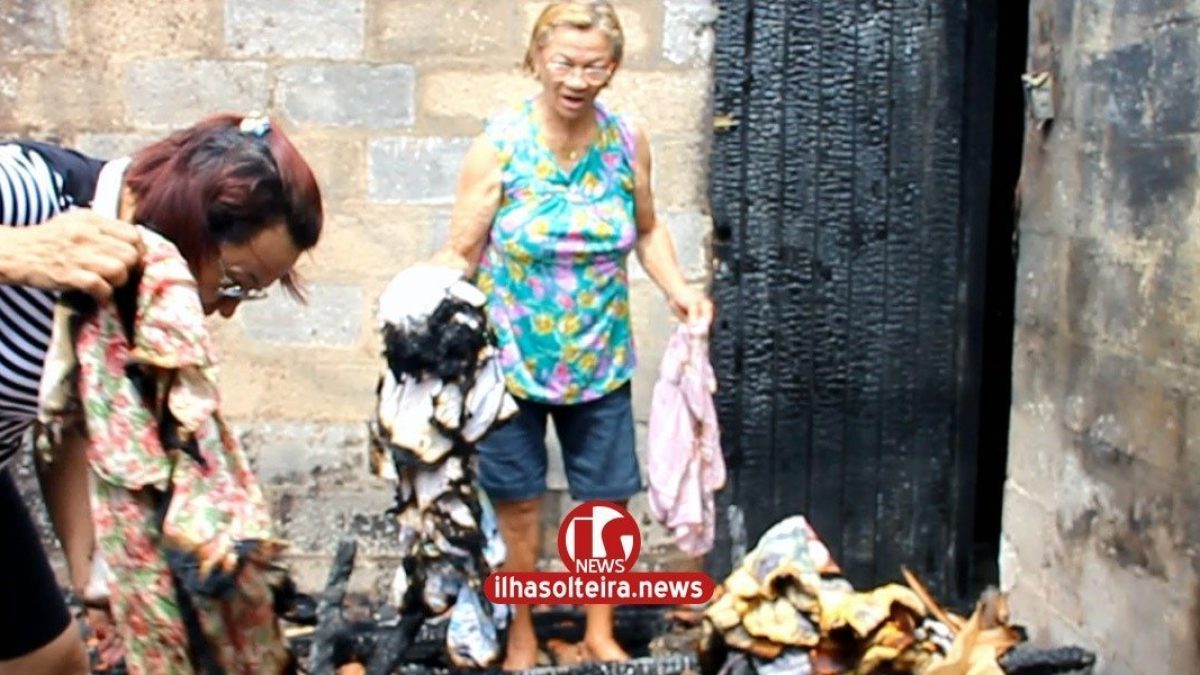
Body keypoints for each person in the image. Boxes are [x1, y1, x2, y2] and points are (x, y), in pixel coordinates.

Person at [430, 1, 713, 669]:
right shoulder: (499, 145)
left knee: (603, 500)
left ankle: (599, 630)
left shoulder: (626, 141)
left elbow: (646, 227)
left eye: (595, 65)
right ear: (536, 59)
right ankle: (522, 634)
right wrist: (425, 304)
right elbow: (461, 250)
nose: (578, 78)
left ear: (612, 68)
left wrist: (679, 289)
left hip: (600, 357)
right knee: (519, 502)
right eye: (564, 61)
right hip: (511, 360)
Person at [0, 113, 322, 674]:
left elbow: (74, 425)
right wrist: (14, 251)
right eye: (233, 283)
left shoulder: (126, 293)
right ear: (192, 219)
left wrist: (94, 571)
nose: (224, 310)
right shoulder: (29, 195)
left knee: (53, 663)